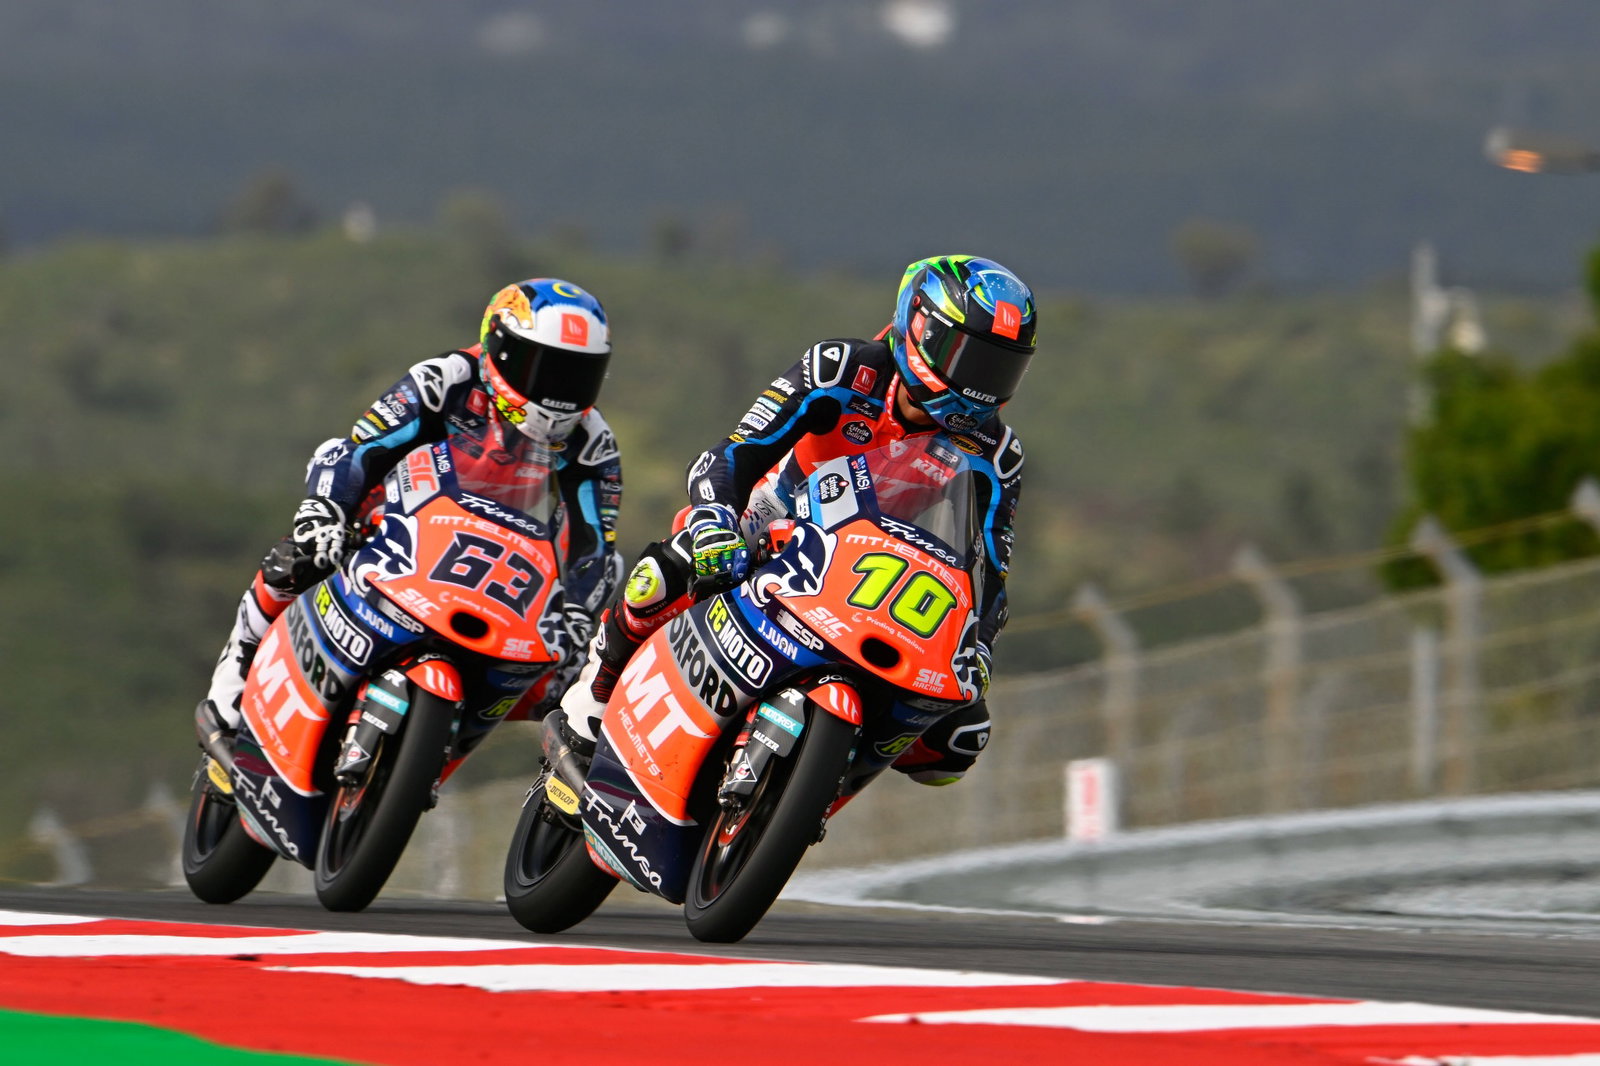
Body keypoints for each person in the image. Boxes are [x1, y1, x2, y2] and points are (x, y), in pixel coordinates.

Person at [545, 254, 1035, 793]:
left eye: (998, 368)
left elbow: (989, 570)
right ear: (920, 327)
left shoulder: (996, 453)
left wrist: (980, 646)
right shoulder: (841, 369)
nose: (981, 386)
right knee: (674, 564)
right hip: (778, 514)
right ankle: (593, 695)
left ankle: (816, 791)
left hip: (881, 575)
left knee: (959, 739)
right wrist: (715, 518)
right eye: (970, 360)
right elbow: (734, 453)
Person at [195, 278, 624, 767]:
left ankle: (546, 797)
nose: (559, 394)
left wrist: (572, 620)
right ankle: (226, 697)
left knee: (569, 673)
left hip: (495, 574)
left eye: (577, 377)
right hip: (392, 528)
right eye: (543, 370)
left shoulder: (592, 442)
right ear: (499, 348)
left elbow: (595, 547)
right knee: (296, 559)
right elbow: (362, 448)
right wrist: (328, 511)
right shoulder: (447, 379)